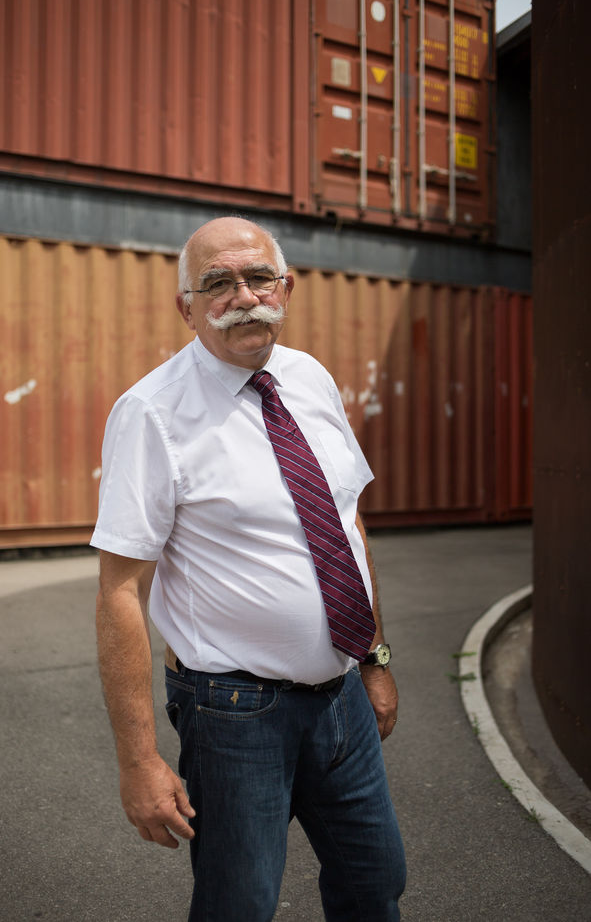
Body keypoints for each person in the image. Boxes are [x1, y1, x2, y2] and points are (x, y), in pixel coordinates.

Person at [92, 216, 406, 921]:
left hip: (342, 700)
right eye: (218, 283)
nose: (243, 296)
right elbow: (119, 591)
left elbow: (346, 527)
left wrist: (375, 659)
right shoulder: (151, 413)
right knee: (239, 904)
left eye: (259, 277)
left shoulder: (310, 378)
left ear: (285, 288)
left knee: (375, 880)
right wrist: (138, 761)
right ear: (187, 308)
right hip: (234, 715)